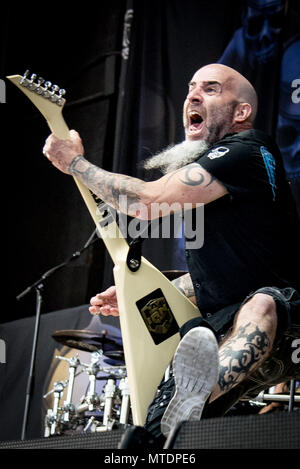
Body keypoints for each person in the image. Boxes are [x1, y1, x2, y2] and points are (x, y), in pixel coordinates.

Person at [43, 63, 300, 443]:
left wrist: (76, 164)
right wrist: (155, 291)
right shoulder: (220, 188)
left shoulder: (246, 150)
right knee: (156, 435)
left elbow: (147, 202)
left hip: (287, 316)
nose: (193, 96)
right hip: (237, 333)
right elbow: (220, 276)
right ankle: (184, 408)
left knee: (262, 303)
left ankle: (193, 393)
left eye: (211, 89)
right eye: (190, 87)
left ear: (241, 112)